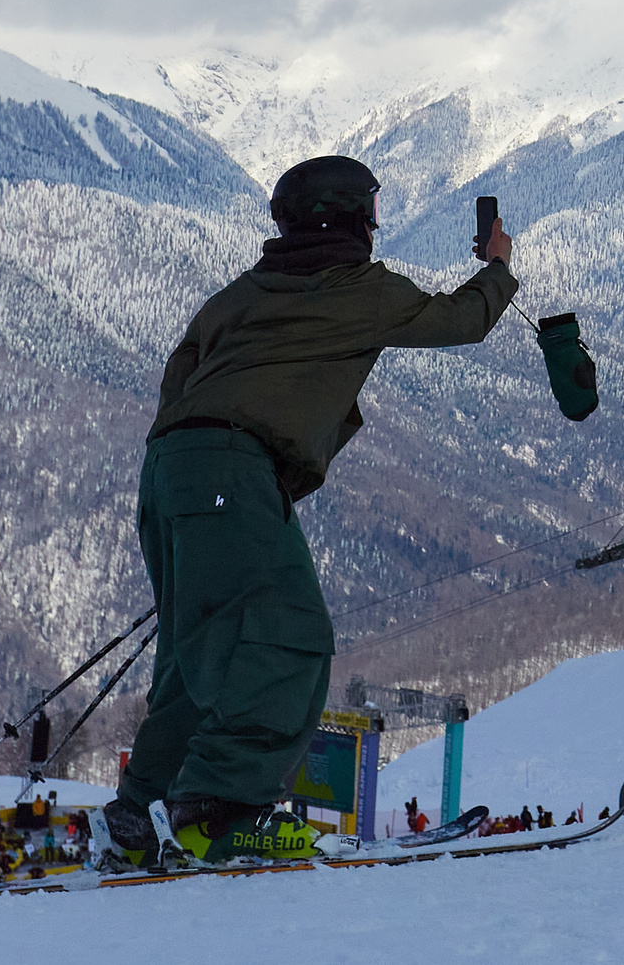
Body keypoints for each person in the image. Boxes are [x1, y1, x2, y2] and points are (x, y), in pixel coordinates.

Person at [101, 157, 524, 868]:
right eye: (372, 212)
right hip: (234, 475)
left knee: (190, 648)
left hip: (168, 471)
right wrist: (500, 267)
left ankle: (139, 807)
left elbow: (179, 375)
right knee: (289, 637)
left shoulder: (235, 296)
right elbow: (464, 318)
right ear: (351, 218)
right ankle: (219, 809)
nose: (376, 224)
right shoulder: (360, 290)